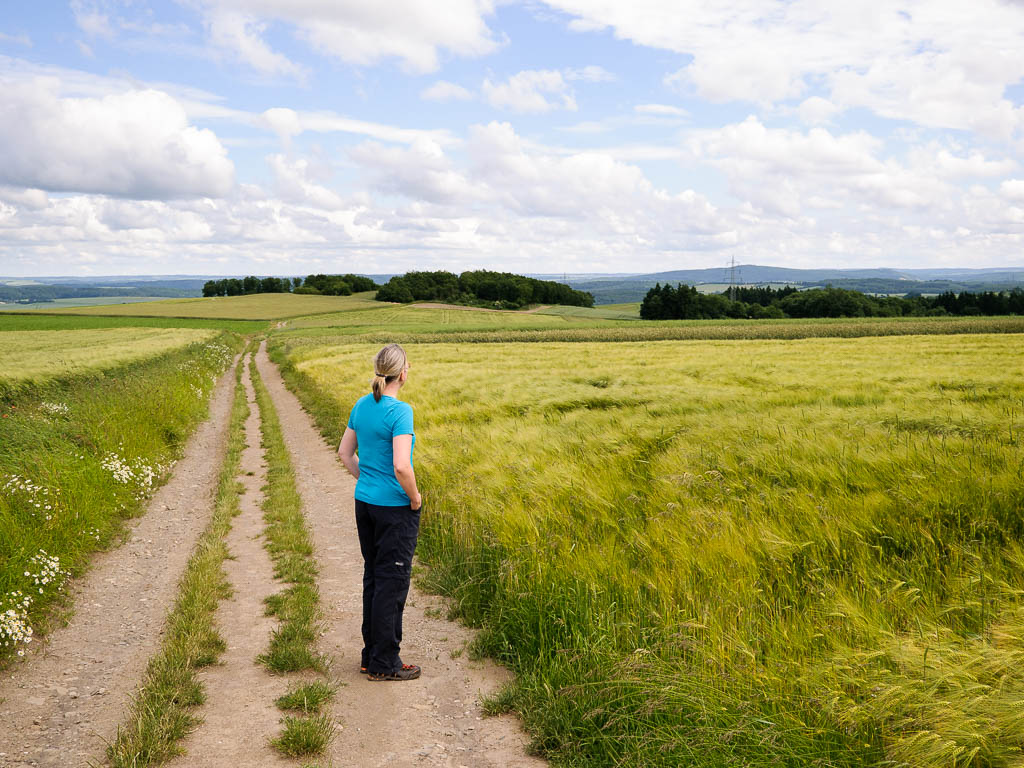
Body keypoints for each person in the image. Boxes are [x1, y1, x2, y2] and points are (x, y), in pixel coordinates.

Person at [337, 343, 423, 681]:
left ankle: (370, 656)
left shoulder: (362, 405)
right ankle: (384, 663)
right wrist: (414, 498)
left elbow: (344, 454)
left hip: (365, 504)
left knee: (374, 577)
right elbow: (402, 465)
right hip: (394, 508)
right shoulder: (400, 412)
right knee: (392, 582)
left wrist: (369, 479)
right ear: (403, 373)